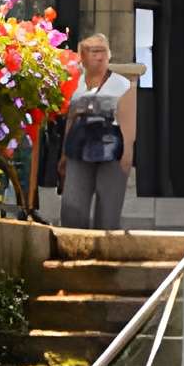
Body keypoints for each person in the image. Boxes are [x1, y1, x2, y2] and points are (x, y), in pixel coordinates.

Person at [57, 32, 135, 230]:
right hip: (79, 145)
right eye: (94, 52)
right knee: (73, 209)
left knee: (108, 213)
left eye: (103, 52)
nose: (99, 57)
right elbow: (71, 119)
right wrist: (64, 154)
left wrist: (127, 153)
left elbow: (128, 120)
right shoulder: (74, 83)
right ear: (82, 56)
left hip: (111, 146)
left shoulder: (122, 85)